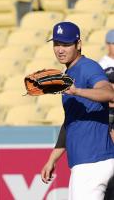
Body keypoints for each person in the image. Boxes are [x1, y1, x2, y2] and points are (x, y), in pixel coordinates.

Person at [40, 22, 114, 200]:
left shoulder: (88, 67)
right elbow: (70, 122)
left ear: (78, 44)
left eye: (66, 44)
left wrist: (78, 91)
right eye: (56, 44)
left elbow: (109, 93)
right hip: (84, 163)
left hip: (94, 161)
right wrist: (52, 159)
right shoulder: (69, 75)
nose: (60, 49)